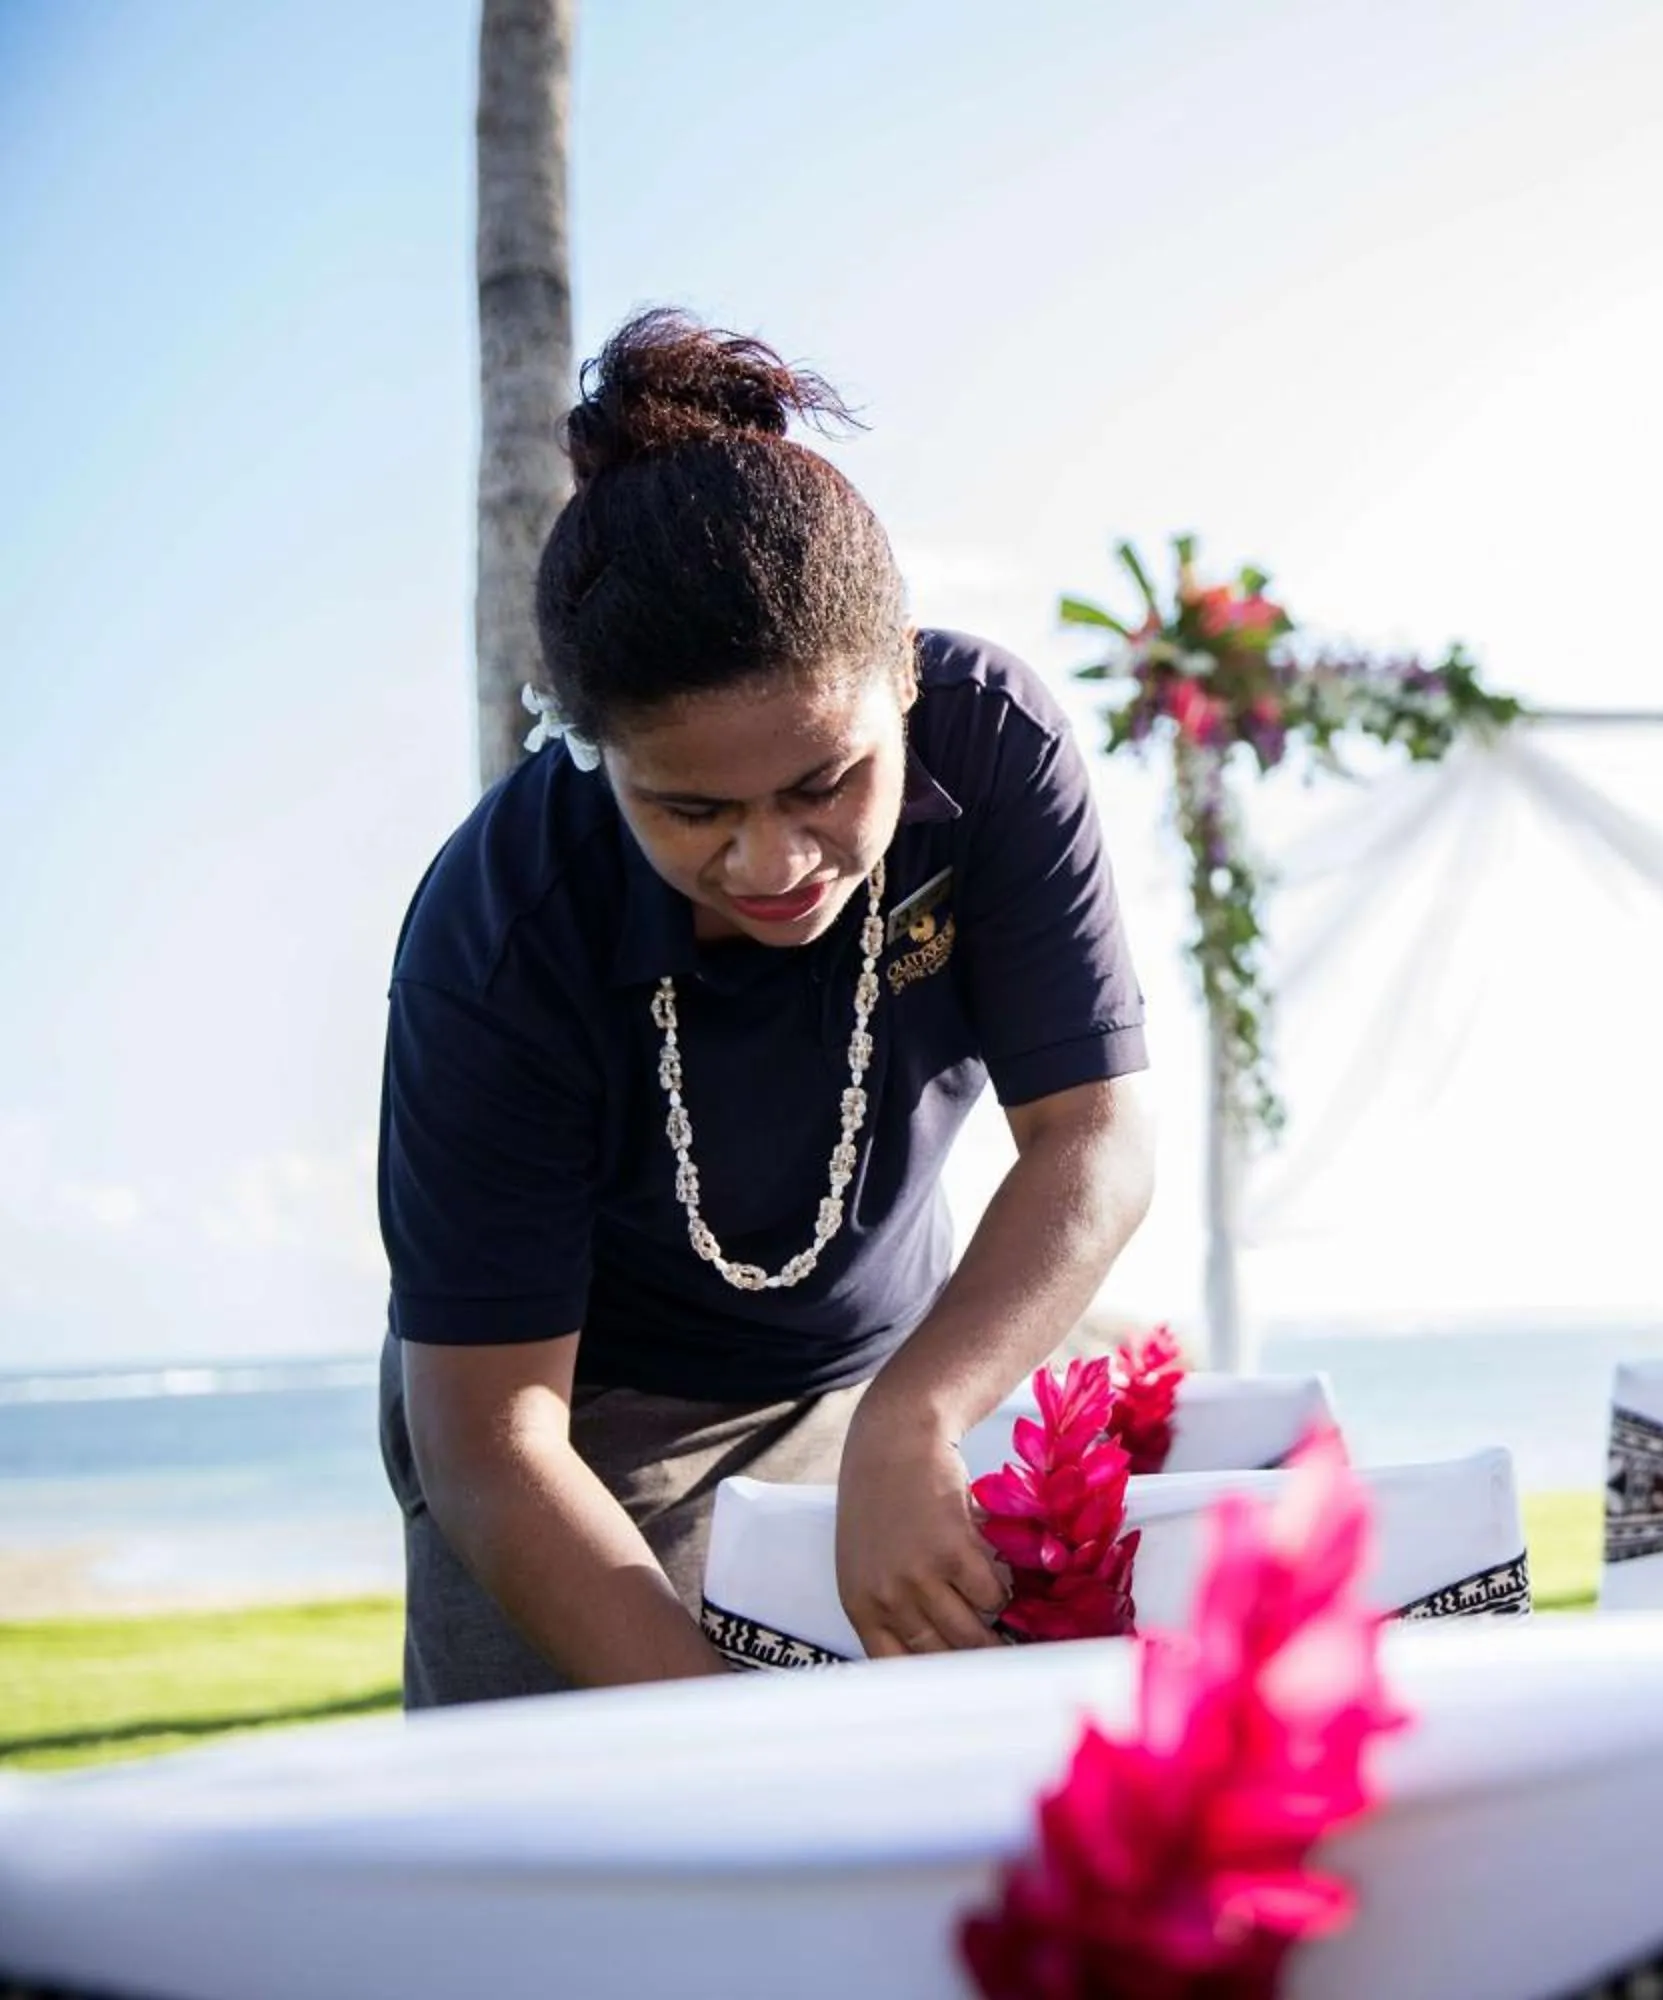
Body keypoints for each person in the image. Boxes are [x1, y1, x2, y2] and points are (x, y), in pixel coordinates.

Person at [377, 311, 1155, 1707]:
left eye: (822, 785)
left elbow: (1093, 1142)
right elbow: (493, 1440)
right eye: (690, 810)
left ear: (905, 678)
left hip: (883, 1374)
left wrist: (912, 1420)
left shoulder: (996, 748)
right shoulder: (501, 931)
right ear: (593, 751)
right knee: (606, 1857)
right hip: (575, 1435)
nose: (772, 863)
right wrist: (724, 1740)